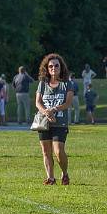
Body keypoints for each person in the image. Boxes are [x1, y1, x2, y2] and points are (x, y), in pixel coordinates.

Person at [35, 53, 74, 186]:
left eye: (56, 65)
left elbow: (68, 103)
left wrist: (54, 109)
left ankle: (64, 173)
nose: (53, 68)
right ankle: (50, 178)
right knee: (46, 151)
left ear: (61, 67)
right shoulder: (42, 84)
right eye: (50, 66)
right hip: (44, 122)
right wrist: (45, 111)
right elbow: (38, 102)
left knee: (58, 151)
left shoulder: (67, 84)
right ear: (46, 68)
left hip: (60, 122)